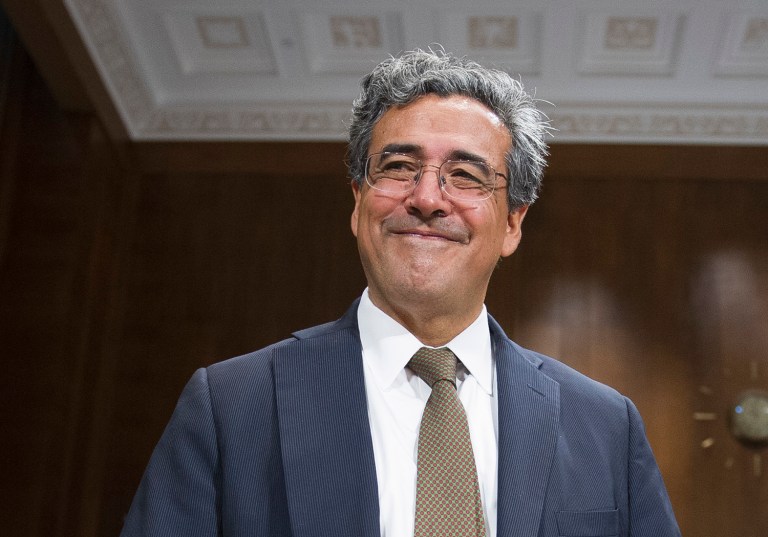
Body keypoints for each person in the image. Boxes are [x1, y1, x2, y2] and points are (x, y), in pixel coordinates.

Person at [120, 49, 681, 537]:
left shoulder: (605, 425)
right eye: (399, 166)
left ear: (512, 223)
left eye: (465, 175)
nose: (428, 198)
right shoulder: (230, 406)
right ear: (358, 201)